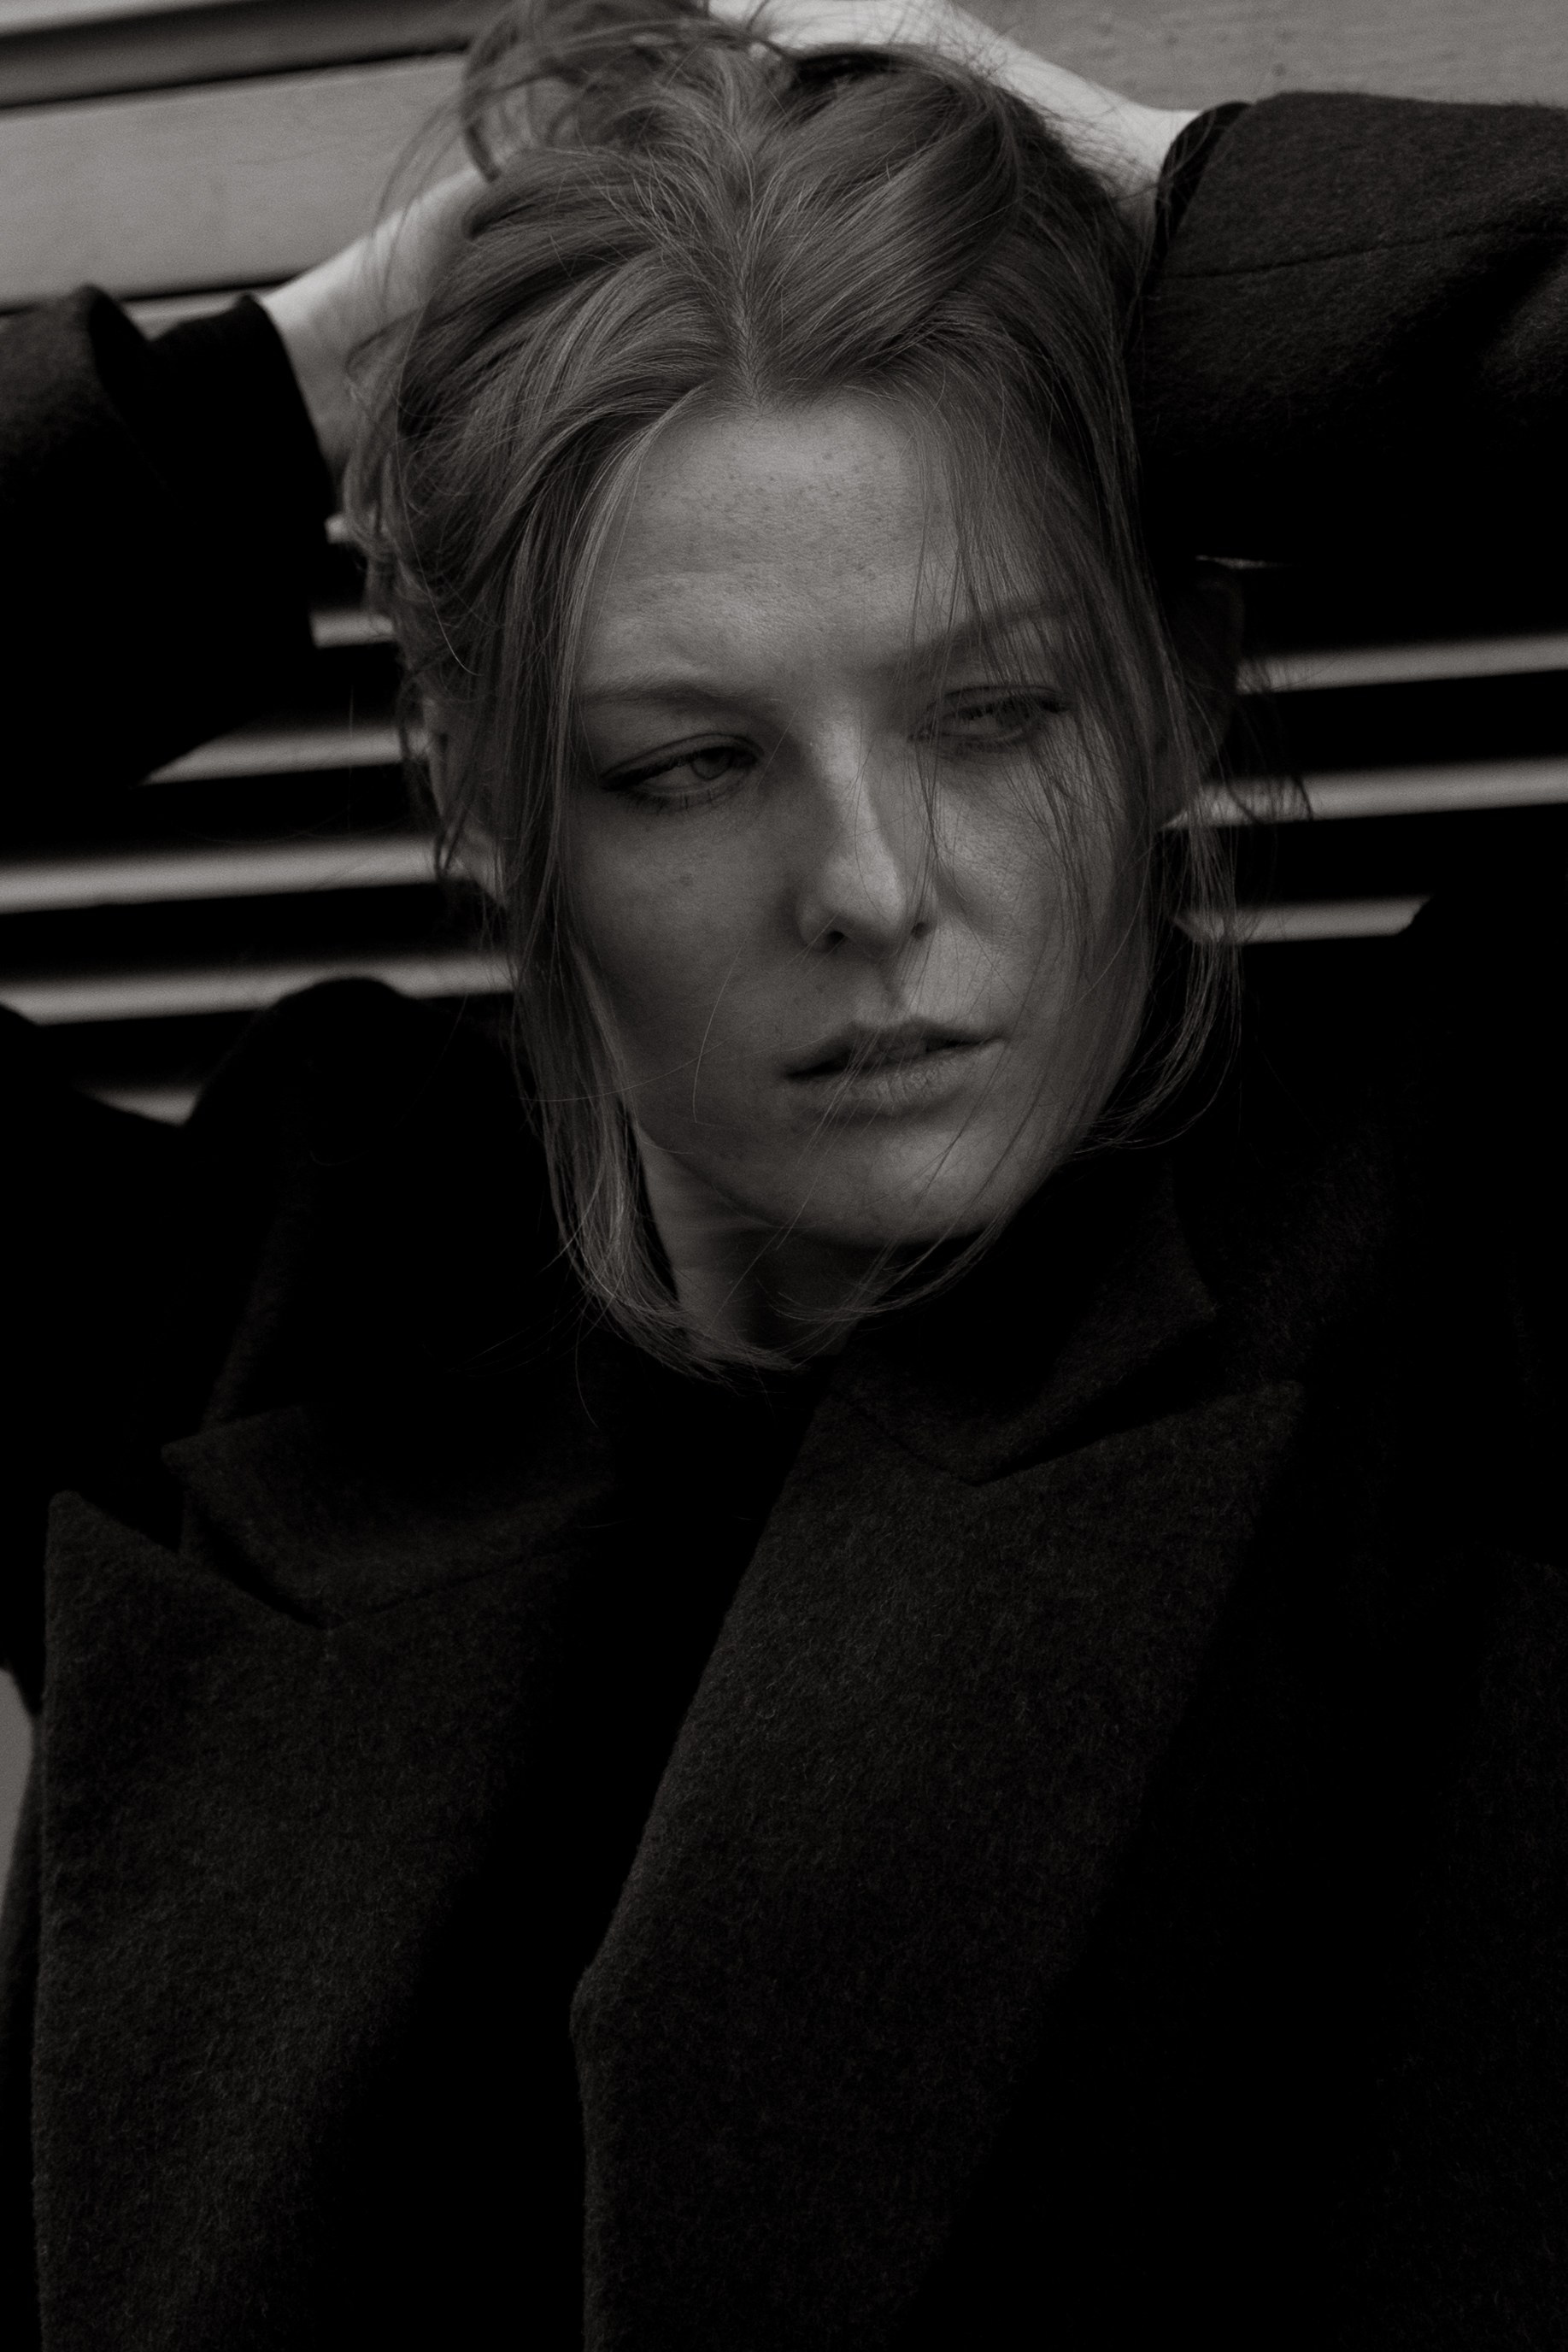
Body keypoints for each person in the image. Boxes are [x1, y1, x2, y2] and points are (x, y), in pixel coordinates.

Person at [0, 3, 1565, 2344]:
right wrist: (263, 401)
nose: (868, 887)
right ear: (490, 798)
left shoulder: (1474, 1242)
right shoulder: (268, 1318)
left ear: (1174, 687)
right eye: (690, 763)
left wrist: (1207, 233)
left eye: (994, 714)